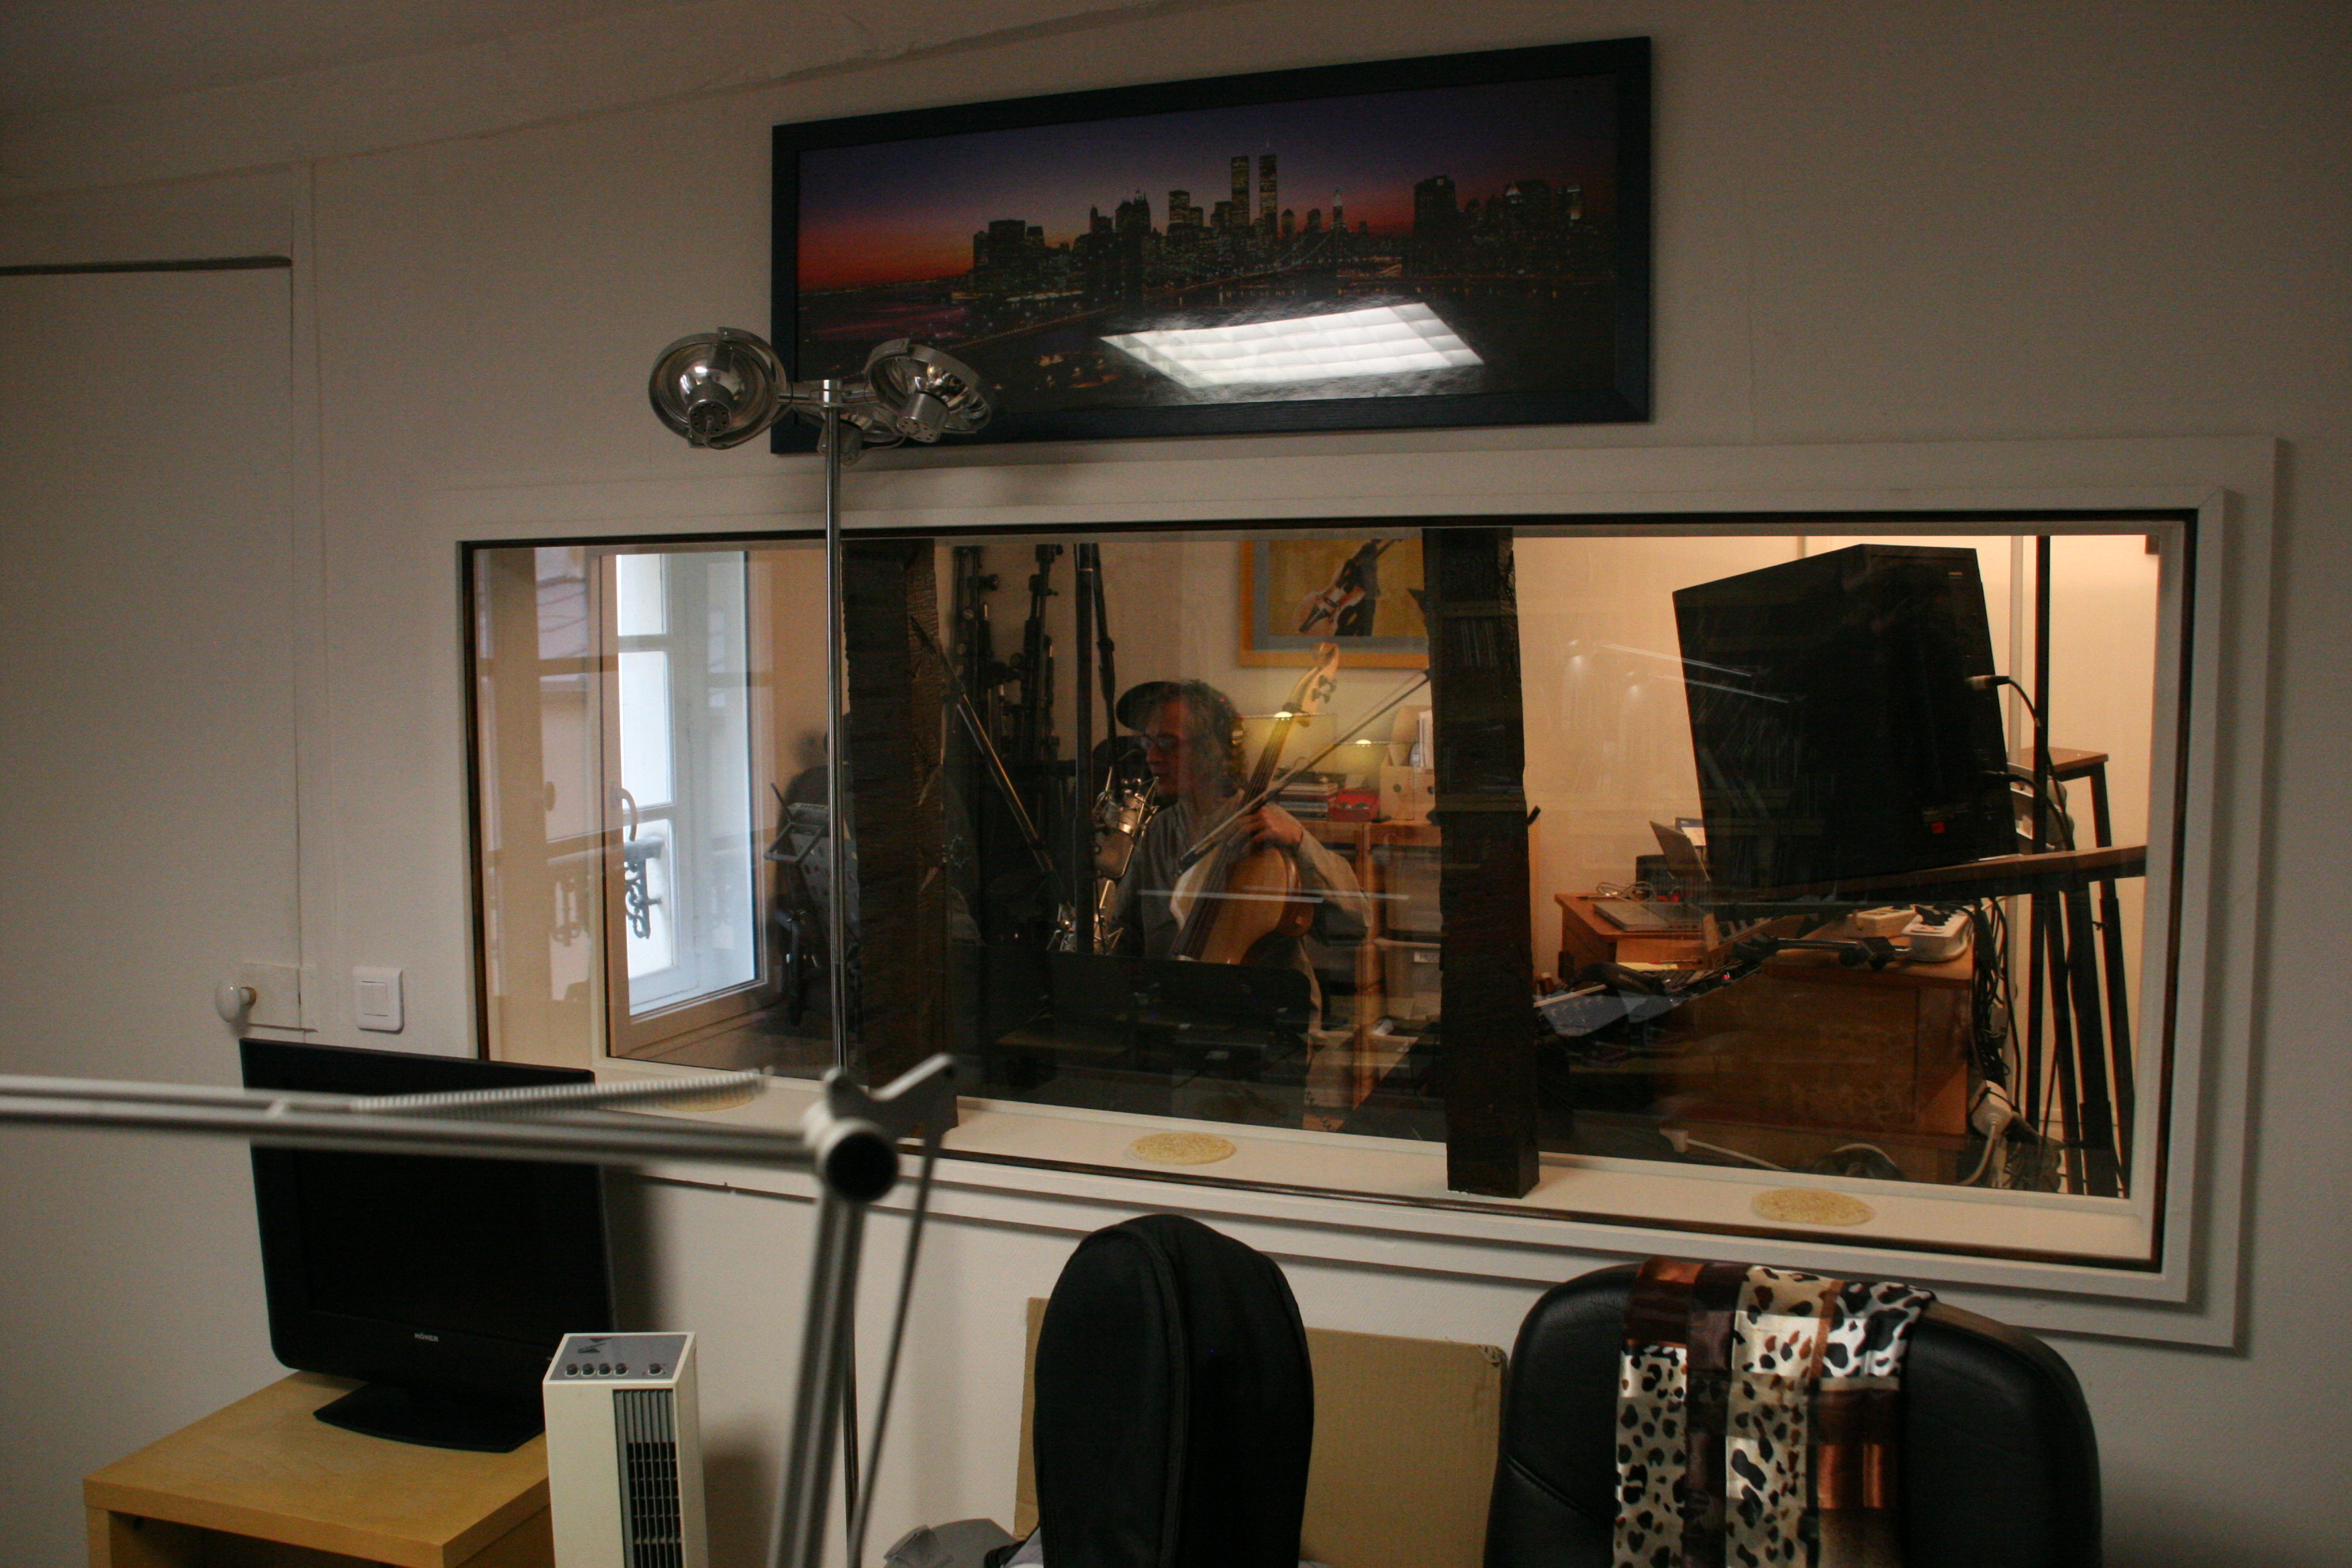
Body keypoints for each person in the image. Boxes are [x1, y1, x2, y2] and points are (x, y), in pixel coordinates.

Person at [1108, 679, 1367, 1003]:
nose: (1152, 757)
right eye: (1147, 742)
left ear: (1212, 749)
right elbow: (1125, 932)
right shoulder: (1160, 831)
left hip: (1263, 1015)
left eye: (1167, 743)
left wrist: (1300, 843)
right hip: (1177, 1010)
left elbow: (1354, 926)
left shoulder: (1266, 828)